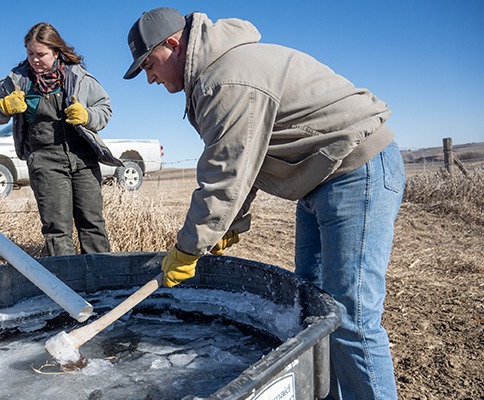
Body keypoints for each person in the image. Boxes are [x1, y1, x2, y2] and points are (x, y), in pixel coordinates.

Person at [123, 7, 405, 400]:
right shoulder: (216, 76)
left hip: (355, 172)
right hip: (319, 182)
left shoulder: (225, 80)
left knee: (350, 318)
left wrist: (189, 248)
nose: (150, 78)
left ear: (173, 43)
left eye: (150, 65)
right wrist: (227, 228)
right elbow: (247, 164)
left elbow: (225, 178)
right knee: (316, 310)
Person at [0, 22, 122, 256]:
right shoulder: (17, 81)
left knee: (92, 223)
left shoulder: (79, 77)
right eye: (30, 53)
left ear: (56, 52)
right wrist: (4, 106)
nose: (35, 60)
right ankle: (65, 288)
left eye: (41, 54)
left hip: (83, 158)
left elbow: (105, 109)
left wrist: (87, 115)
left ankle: (102, 283)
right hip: (45, 160)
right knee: (57, 229)